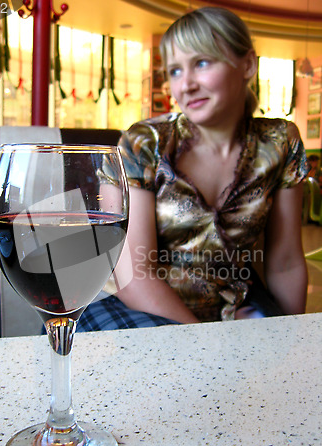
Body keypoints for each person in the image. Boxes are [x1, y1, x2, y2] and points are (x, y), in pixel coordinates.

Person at [77, 6, 309, 332]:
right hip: (128, 303)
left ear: (247, 65)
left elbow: (285, 263)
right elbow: (133, 276)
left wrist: (291, 340)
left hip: (231, 305)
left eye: (201, 63)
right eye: (174, 71)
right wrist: (209, 339)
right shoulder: (145, 143)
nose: (185, 85)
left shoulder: (280, 142)